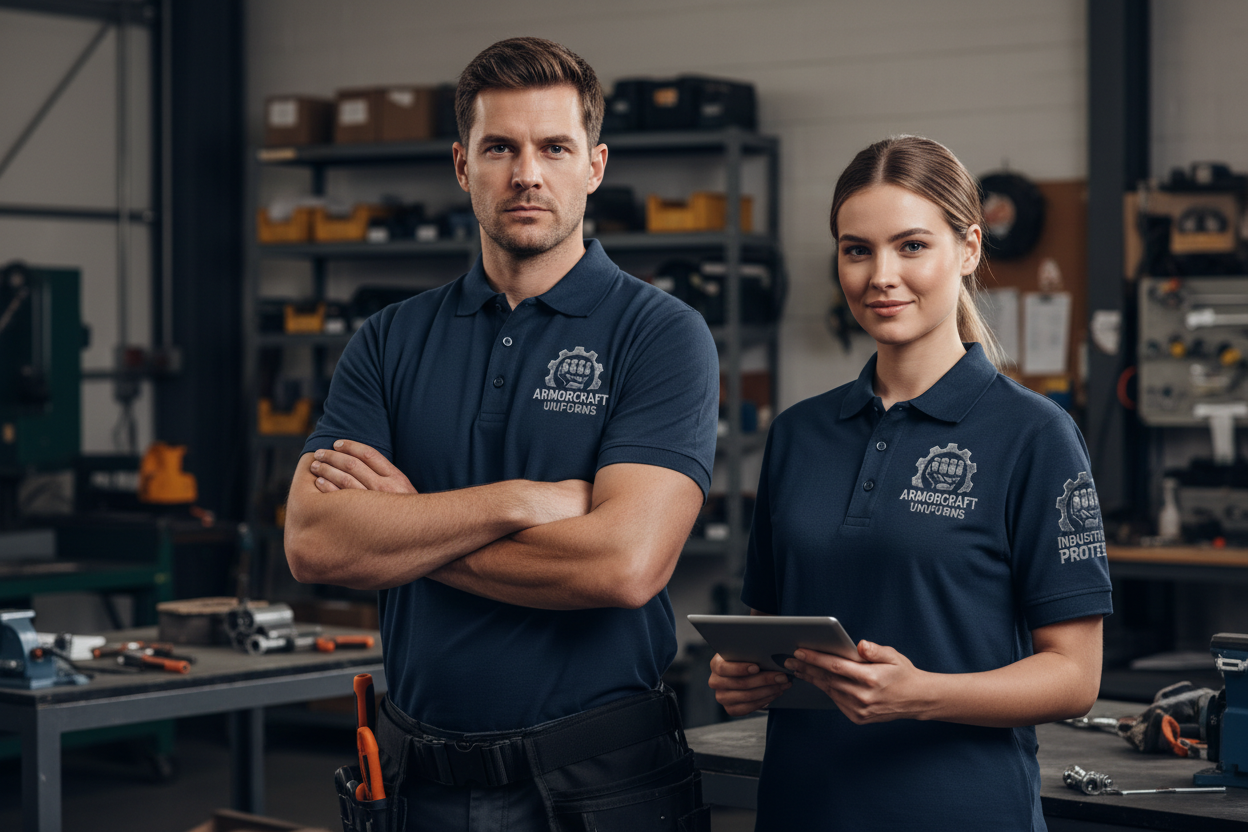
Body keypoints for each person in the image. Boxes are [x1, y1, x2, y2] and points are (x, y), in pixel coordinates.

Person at [283, 37, 717, 832]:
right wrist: (523, 501)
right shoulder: (388, 340)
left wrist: (407, 526)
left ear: (594, 165)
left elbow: (624, 565)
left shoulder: (661, 335)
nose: (527, 173)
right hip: (419, 784)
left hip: (601, 785)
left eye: (554, 147)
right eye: (500, 148)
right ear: (461, 165)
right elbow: (317, 544)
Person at [708, 135, 1112, 831]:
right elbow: (771, 626)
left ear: (969, 249)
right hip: (804, 808)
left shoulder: (1034, 435)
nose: (880, 276)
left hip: (961, 810)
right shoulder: (800, 434)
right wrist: (743, 675)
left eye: (912, 246)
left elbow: (1074, 677)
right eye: (856, 249)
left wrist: (920, 693)